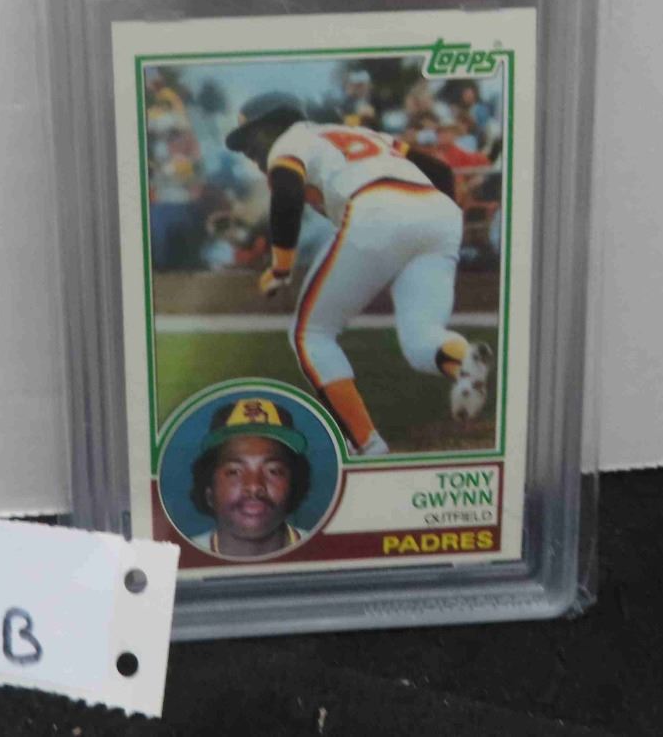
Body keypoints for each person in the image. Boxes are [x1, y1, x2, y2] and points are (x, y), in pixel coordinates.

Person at [224, 93, 492, 456]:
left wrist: (281, 267)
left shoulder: (289, 142)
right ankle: (465, 365)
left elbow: (286, 192)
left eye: (250, 138)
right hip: (438, 214)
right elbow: (441, 172)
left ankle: (368, 446)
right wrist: (432, 226)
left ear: (273, 124)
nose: (248, 151)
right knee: (421, 339)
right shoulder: (365, 135)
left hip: (377, 208)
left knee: (310, 335)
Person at [189, 399, 313, 558]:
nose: (254, 486)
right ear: (209, 493)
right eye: (234, 472)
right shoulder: (183, 558)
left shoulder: (324, 553)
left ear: (294, 487)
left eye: (273, 471)